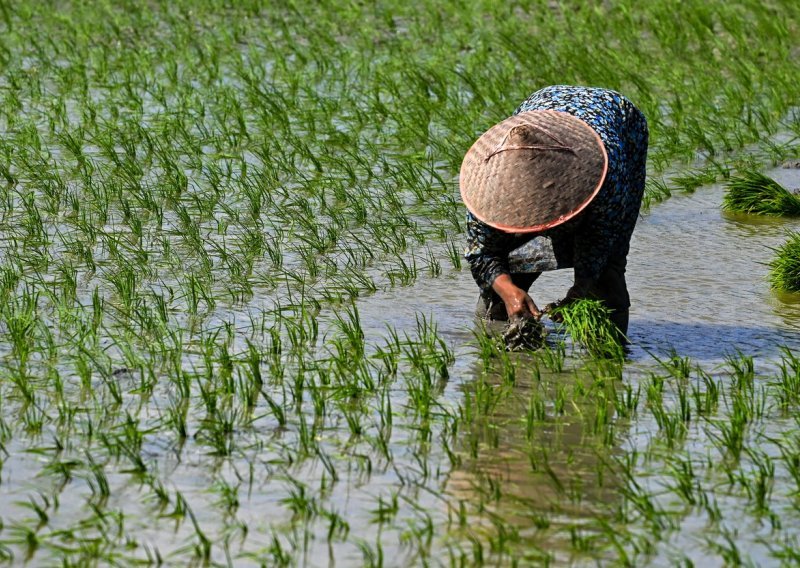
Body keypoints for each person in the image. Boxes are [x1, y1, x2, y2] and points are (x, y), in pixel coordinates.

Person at [460, 85, 648, 338]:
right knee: (502, 286)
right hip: (542, 109)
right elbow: (481, 252)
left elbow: (600, 239)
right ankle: (495, 355)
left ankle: (611, 359)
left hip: (616, 124)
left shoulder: (606, 178)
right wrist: (507, 290)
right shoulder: (488, 185)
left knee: (607, 273)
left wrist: (580, 290)